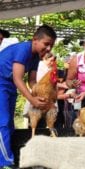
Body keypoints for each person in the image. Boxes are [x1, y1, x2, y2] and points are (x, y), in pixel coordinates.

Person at [0, 25, 56, 167]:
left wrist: (39, 95)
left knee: (9, 124)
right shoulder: (23, 49)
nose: (49, 48)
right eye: (46, 44)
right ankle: (5, 162)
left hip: (9, 86)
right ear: (35, 40)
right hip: (2, 83)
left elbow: (31, 81)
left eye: (51, 45)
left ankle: (7, 157)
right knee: (3, 122)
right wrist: (32, 100)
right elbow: (18, 79)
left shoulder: (36, 57)